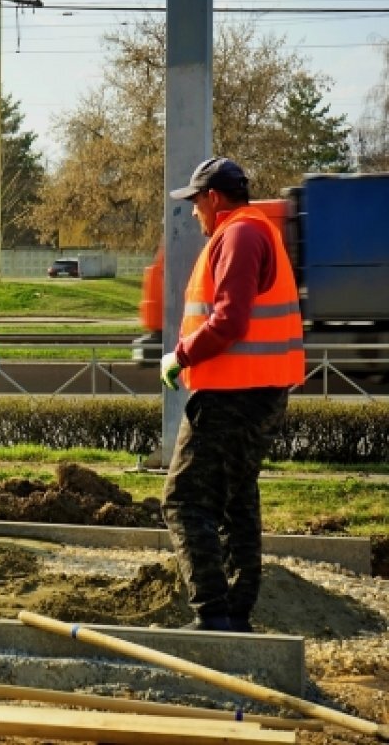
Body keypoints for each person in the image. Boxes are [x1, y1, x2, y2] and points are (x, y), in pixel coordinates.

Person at [160, 157, 304, 632]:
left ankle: (213, 617)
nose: (193, 213)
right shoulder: (255, 230)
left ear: (214, 199)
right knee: (237, 499)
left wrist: (180, 355)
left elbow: (229, 319)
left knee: (185, 501)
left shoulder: (239, 236)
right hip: (256, 392)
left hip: (232, 396)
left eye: (195, 202)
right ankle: (235, 615)